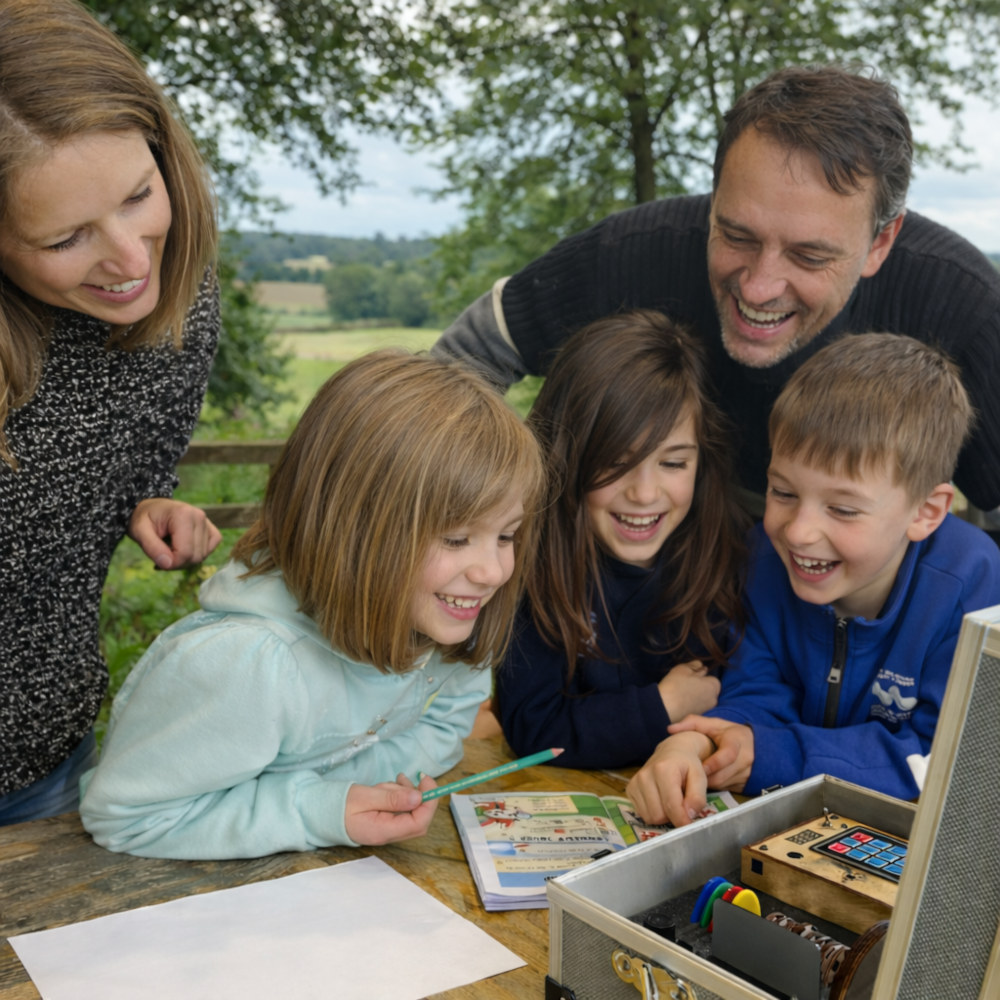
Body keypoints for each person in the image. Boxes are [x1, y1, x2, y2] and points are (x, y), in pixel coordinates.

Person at [431, 64, 1000, 517]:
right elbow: (467, 358)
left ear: (881, 243)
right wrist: (482, 516)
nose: (759, 285)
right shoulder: (631, 253)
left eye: (808, 255)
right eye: (736, 234)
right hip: (674, 566)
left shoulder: (964, 304)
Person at [79, 349, 546, 859]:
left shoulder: (443, 616)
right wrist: (317, 808)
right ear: (352, 529)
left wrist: (339, 790)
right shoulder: (244, 667)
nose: (494, 572)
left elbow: (447, 725)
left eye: (507, 535)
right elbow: (126, 817)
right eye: (456, 539)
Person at [624, 333, 1000, 828]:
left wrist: (775, 754)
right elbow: (757, 690)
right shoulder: (762, 557)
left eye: (843, 509)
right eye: (782, 492)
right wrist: (698, 742)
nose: (798, 532)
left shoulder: (972, 586)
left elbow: (940, 759)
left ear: (926, 512)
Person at [0, 0, 222, 826]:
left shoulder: (179, 297)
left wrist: (145, 496)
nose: (131, 260)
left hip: (48, 758)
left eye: (138, 195)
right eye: (65, 240)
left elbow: (136, 452)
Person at [495, 310, 748, 769]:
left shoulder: (727, 554)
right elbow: (535, 731)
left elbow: (741, 701)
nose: (645, 493)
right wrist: (664, 705)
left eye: (673, 464)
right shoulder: (532, 564)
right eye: (616, 462)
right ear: (567, 458)